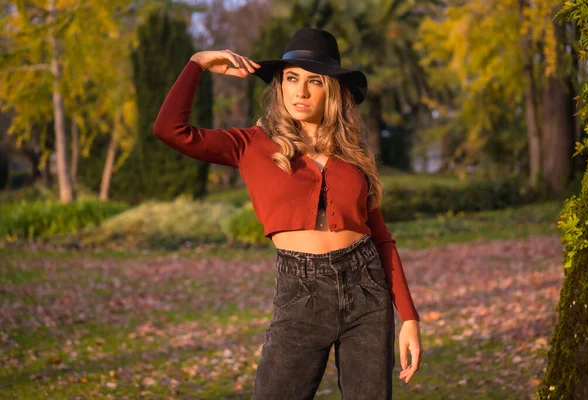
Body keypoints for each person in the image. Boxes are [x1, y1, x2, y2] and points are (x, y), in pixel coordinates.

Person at [154, 27, 422, 399]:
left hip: (367, 291)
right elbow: (170, 129)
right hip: (301, 292)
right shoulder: (249, 145)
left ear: (332, 89)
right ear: (279, 85)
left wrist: (409, 317)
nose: (301, 91)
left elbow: (380, 237)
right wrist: (197, 64)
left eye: (314, 81)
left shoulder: (352, 155)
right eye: (292, 78)